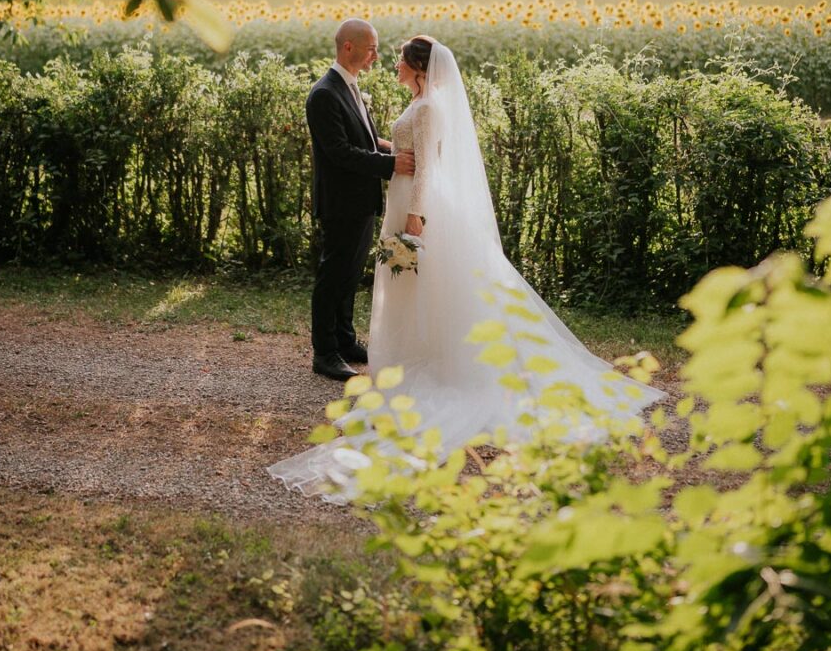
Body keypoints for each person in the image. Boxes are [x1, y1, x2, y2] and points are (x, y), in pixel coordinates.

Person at [269, 36, 664, 497]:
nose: (389, 61)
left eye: (396, 56)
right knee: (407, 283)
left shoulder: (429, 106)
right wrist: (387, 155)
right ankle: (402, 347)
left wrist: (415, 214)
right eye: (380, 50)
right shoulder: (415, 101)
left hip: (413, 203)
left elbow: (429, 169)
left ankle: (435, 354)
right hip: (397, 195)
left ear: (417, 67)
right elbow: (396, 147)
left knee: (426, 282)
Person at [303, 17, 415, 381]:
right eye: (371, 49)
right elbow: (340, 153)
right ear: (348, 47)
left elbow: (364, 141)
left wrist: (394, 147)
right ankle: (325, 352)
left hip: (361, 199)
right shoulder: (324, 94)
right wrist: (391, 164)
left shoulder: (350, 87)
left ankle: (347, 341)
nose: (376, 57)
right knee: (333, 275)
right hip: (340, 201)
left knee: (350, 274)